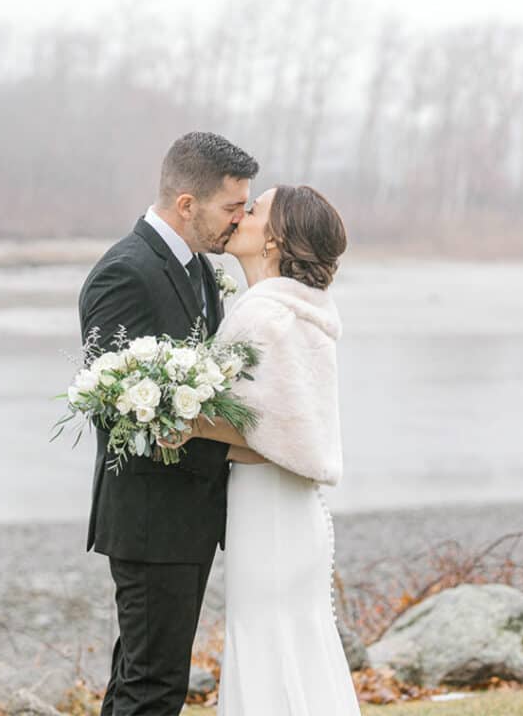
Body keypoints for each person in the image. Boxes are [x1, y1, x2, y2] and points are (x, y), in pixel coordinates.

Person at [78, 131, 259, 716]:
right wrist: (233, 445)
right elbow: (114, 407)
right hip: (150, 517)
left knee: (141, 677)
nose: (240, 220)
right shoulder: (124, 273)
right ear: (188, 204)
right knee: (154, 688)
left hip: (185, 517)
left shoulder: (198, 268)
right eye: (232, 207)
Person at [162, 183, 360, 715]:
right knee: (296, 643)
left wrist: (190, 424)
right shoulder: (304, 309)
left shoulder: (264, 313)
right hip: (290, 511)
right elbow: (285, 424)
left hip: (269, 510)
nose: (240, 216)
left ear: (275, 239)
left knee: (266, 643)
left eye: (254, 210)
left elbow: (272, 436)